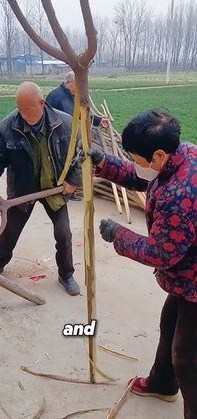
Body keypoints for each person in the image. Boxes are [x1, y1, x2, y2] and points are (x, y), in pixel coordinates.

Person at [87, 109, 197, 419]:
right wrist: (102, 162)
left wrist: (117, 234)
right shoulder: (182, 153)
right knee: (169, 323)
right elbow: (142, 174)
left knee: (187, 357)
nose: (137, 164)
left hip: (193, 277)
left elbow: (162, 253)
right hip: (188, 272)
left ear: (159, 155)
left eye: (138, 157)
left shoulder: (180, 194)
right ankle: (163, 383)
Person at [0, 81, 81, 296]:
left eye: (27, 109)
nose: (22, 113)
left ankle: (66, 274)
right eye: (19, 108)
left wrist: (73, 180)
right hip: (23, 189)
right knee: (10, 229)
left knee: (63, 233)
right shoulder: (8, 126)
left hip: (53, 189)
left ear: (42, 103)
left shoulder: (65, 124)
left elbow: (79, 154)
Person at [46, 71, 109, 201]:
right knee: (61, 165)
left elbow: (81, 114)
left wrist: (98, 120)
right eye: (77, 84)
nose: (79, 88)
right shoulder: (55, 97)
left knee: (71, 163)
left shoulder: (72, 96)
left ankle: (69, 191)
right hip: (58, 139)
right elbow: (47, 119)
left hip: (70, 138)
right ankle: (59, 191)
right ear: (68, 82)